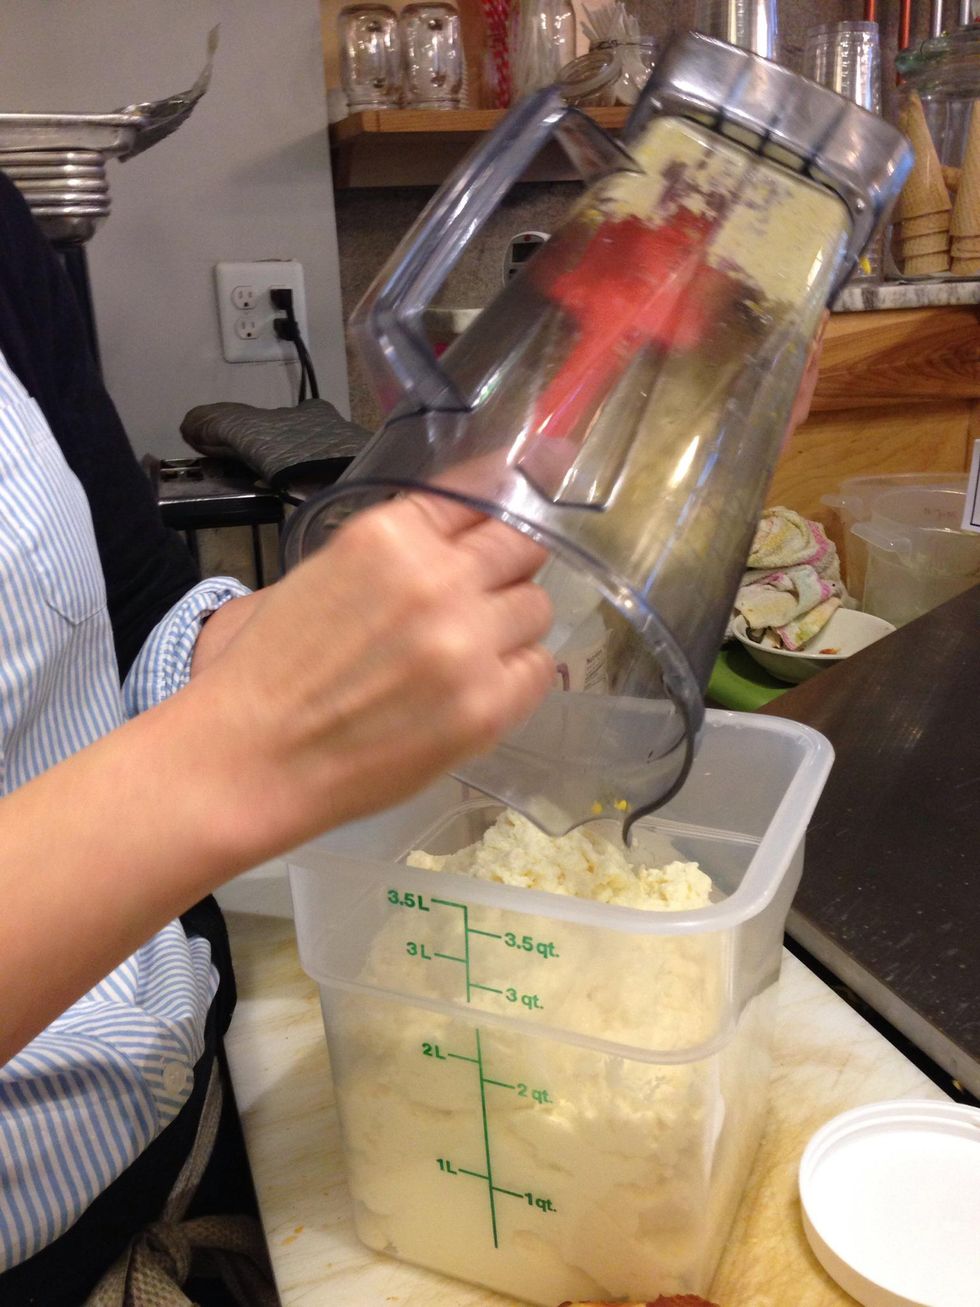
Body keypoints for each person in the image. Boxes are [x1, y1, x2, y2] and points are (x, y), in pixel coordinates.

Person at [0, 171, 554, 1303]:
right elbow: (222, 739)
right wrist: (238, 747)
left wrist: (379, 601)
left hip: (202, 1131)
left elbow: (138, 613)